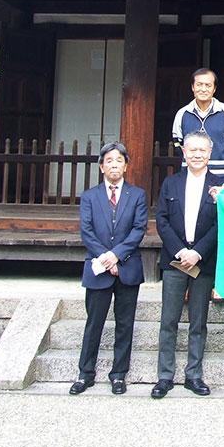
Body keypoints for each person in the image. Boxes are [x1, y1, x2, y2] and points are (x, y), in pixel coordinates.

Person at [70, 142, 148, 396]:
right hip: (98, 267)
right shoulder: (90, 196)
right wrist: (105, 258)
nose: (114, 165)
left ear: (126, 165)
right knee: (94, 322)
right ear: (102, 166)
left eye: (119, 160)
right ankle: (85, 373)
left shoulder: (137, 195)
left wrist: (116, 255)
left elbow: (138, 230)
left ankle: (118, 374)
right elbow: (87, 231)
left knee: (125, 323)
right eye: (109, 161)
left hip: (127, 267)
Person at [152, 130, 224, 399]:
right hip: (175, 260)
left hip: (202, 262)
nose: (197, 154)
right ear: (184, 152)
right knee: (168, 320)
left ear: (209, 153)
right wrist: (182, 250)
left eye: (202, 150)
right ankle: (164, 376)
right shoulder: (171, 183)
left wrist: (198, 253)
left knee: (198, 321)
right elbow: (161, 220)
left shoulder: (220, 185)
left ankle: (194, 375)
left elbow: (221, 224)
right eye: (192, 150)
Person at [172, 67, 224, 185]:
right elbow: (178, 144)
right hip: (191, 174)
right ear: (193, 87)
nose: (203, 89)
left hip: (221, 175)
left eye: (208, 85)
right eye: (199, 85)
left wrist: (222, 159)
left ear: (214, 89)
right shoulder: (182, 113)